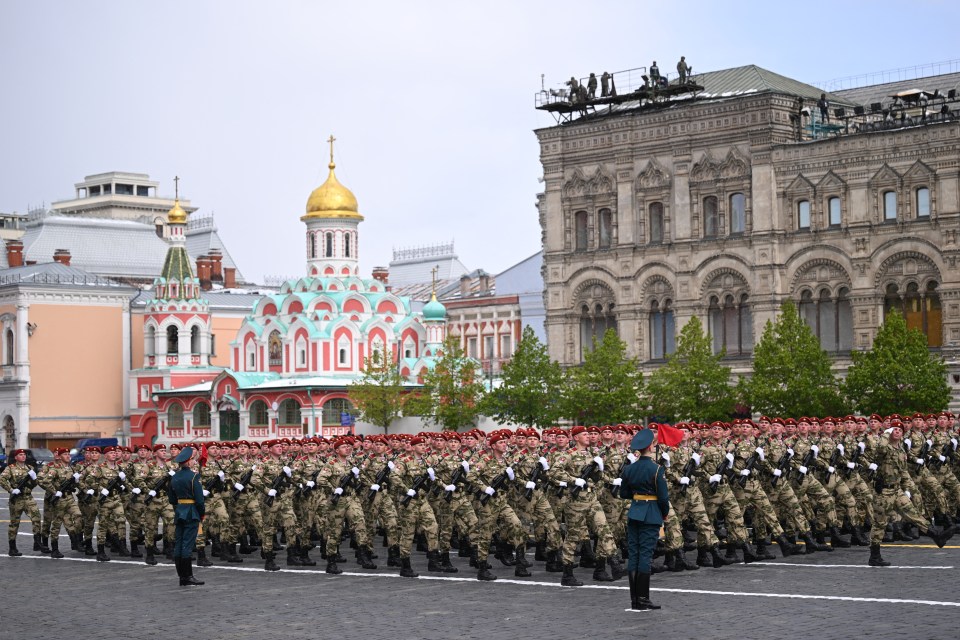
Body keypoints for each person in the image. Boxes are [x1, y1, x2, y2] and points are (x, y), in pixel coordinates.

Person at [618, 428, 669, 611]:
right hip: (651, 514)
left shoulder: (629, 468)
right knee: (645, 555)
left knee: (634, 554)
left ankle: (635, 600)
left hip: (635, 513)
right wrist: (664, 514)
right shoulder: (657, 469)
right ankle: (643, 598)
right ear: (651, 446)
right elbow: (663, 498)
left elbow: (624, 493)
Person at [167, 446, 205, 586]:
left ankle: (181, 577)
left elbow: (171, 499)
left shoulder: (174, 477)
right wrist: (201, 514)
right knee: (187, 545)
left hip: (180, 511)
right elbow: (200, 500)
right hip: (191, 512)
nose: (194, 462)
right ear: (188, 462)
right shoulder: (194, 476)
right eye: (192, 460)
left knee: (179, 543)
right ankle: (188, 576)